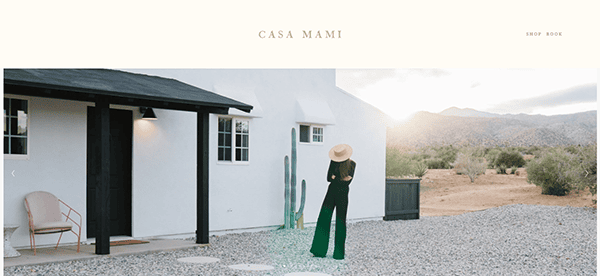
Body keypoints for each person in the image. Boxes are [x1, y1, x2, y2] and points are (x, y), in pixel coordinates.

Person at [310, 144, 356, 260]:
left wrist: (336, 177)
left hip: (342, 193)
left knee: (341, 222)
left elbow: (347, 182)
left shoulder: (352, 164)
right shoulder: (333, 162)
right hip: (331, 192)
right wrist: (339, 178)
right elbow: (328, 178)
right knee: (324, 219)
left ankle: (339, 254)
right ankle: (319, 251)